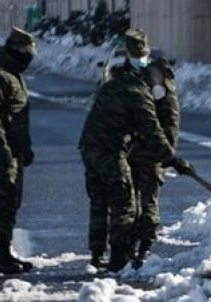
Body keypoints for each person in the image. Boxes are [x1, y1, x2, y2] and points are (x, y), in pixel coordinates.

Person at [79, 29, 191, 273]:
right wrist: (172, 158)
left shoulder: (113, 85)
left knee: (101, 200)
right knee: (125, 203)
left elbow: (166, 122)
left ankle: (103, 253)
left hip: (93, 148)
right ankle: (120, 258)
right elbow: (152, 128)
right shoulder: (139, 92)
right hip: (116, 150)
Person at [0, 27, 36, 275]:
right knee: (6, 198)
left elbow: (16, 116)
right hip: (2, 148)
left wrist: (25, 147)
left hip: (14, 149)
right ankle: (0, 255)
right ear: (17, 49)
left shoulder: (13, 73)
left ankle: (5, 251)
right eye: (27, 53)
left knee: (12, 200)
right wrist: (0, 148)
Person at [128, 54, 181, 267]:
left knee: (146, 201)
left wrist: (167, 156)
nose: (154, 78)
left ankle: (142, 247)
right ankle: (133, 247)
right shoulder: (146, 94)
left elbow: (169, 131)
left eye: (157, 74)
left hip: (152, 157)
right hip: (139, 156)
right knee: (135, 203)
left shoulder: (163, 97)